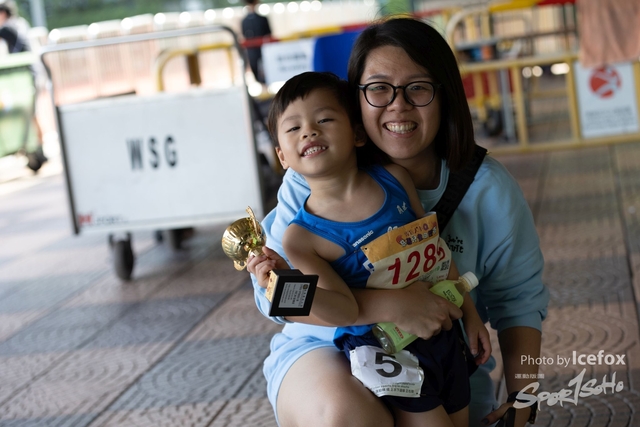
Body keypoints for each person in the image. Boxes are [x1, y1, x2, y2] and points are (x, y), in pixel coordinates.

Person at [248, 16, 549, 427]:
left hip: (438, 354)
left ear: (444, 95)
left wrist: (523, 398)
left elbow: (519, 301)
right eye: (378, 88)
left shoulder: (486, 189)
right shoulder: (313, 179)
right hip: (324, 354)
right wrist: (394, 305)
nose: (398, 104)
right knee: (346, 415)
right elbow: (272, 298)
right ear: (356, 101)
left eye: (418, 87)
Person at [257, 70, 491, 426]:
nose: (309, 132)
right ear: (282, 156)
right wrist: (281, 285)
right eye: (293, 128)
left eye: (324, 119)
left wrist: (470, 313)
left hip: (443, 333)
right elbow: (343, 309)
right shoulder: (300, 239)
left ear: (357, 133)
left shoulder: (394, 179)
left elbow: (436, 253)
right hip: (386, 350)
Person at [0, 0, 47, 171]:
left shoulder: (7, 27)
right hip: (33, 73)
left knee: (27, 113)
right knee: (31, 113)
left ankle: (35, 149)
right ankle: (38, 149)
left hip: (25, 76)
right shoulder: (20, 23)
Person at [241, 0, 271, 84]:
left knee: (265, 70)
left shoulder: (262, 19)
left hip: (263, 50)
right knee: (255, 69)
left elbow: (268, 34)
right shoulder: (245, 21)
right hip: (252, 51)